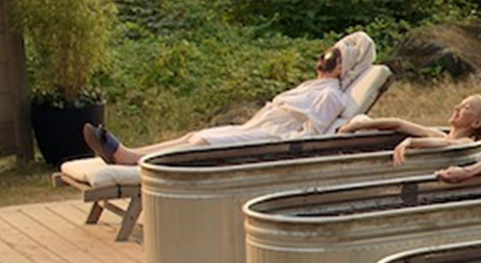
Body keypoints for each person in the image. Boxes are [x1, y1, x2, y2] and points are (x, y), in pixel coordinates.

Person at [82, 31, 376, 165]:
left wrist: (279, 146)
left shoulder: (331, 96)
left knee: (200, 144)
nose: (325, 57)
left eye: (334, 57)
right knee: (194, 135)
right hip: (257, 127)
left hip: (271, 138)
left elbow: (309, 137)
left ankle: (128, 158)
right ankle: (128, 154)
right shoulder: (312, 86)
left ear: (343, 67)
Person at [337, 93, 481, 164]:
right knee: (361, 119)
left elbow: (448, 145)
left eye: (466, 108)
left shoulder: (466, 142)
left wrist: (412, 142)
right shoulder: (439, 135)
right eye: (459, 104)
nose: (456, 108)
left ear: (476, 123)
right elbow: (399, 124)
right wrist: (359, 125)